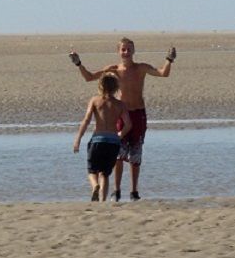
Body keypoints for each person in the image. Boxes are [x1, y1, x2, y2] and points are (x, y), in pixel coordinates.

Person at [69, 37, 176, 201]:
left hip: (138, 113)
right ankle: (116, 191)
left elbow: (164, 73)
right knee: (117, 154)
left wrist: (169, 60)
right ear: (118, 51)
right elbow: (89, 77)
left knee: (136, 153)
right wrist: (78, 63)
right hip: (120, 114)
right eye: (123, 49)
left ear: (133, 50)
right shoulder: (113, 70)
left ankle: (134, 191)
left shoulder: (141, 68)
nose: (126, 52)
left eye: (129, 49)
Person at [73, 72, 132, 202]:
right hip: (112, 143)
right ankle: (102, 201)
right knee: (105, 174)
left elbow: (86, 120)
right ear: (116, 87)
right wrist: (119, 135)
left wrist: (78, 139)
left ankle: (95, 186)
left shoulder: (95, 100)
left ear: (100, 86)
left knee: (92, 171)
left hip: (97, 140)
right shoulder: (120, 104)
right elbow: (128, 125)